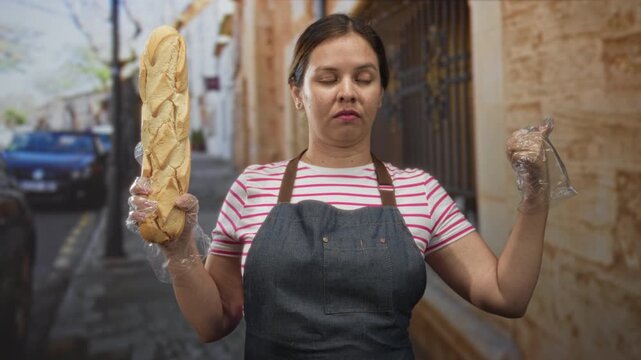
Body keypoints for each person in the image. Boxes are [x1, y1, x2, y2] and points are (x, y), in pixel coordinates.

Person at [128, 13, 551, 359]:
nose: (347, 92)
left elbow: (505, 296)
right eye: (328, 79)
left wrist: (534, 197)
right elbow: (213, 322)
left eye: (364, 79)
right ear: (298, 92)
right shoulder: (254, 186)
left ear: (381, 93)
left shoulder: (419, 191)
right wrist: (180, 249)